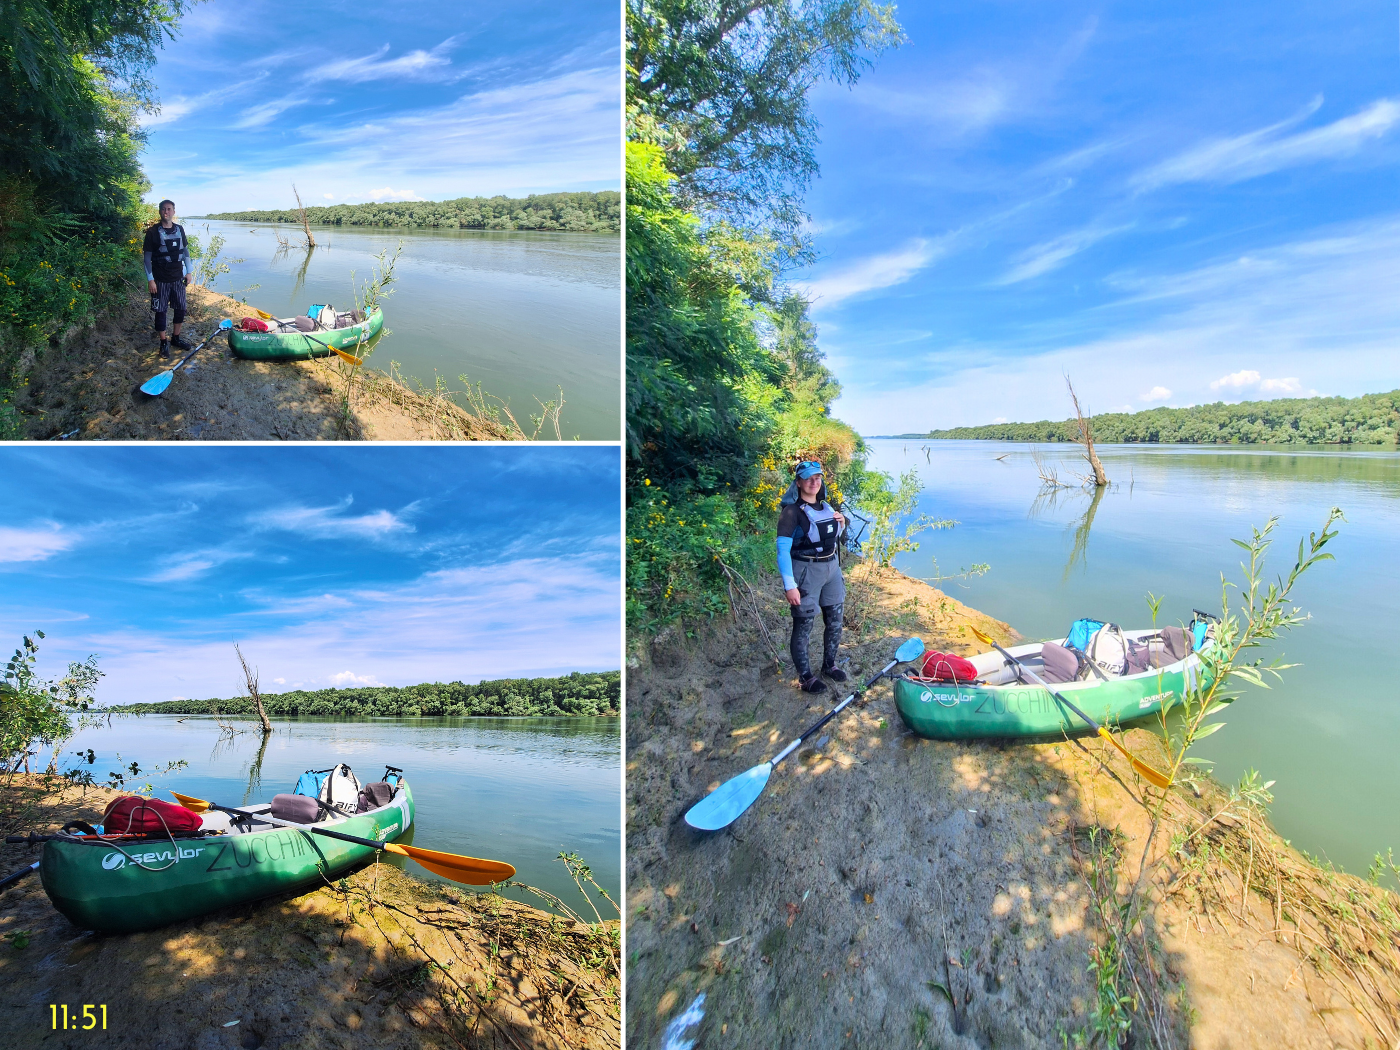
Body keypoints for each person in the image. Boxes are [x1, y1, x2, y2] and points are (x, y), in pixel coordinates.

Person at [776, 460, 848, 693]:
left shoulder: (826, 507)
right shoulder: (791, 513)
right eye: (808, 478)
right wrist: (790, 586)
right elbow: (782, 551)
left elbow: (830, 536)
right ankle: (805, 677)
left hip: (831, 569)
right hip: (806, 572)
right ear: (798, 482)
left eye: (817, 477)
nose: (813, 482)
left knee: (835, 620)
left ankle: (829, 665)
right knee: (804, 624)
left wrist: (842, 524)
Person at [143, 199, 193, 359]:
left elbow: (185, 253)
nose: (166, 212)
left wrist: (189, 271)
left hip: (178, 278)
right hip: (160, 280)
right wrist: (150, 279)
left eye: (169, 209)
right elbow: (146, 259)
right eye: (164, 209)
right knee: (161, 311)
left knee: (181, 309)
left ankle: (176, 338)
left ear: (173, 211)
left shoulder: (180, 229)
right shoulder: (152, 232)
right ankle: (163, 341)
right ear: (160, 212)